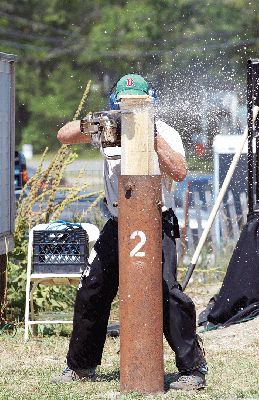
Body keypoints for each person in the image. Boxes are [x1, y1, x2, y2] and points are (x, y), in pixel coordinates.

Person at [52, 74, 208, 390]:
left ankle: (192, 369)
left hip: (156, 220)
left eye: (134, 107)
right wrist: (99, 123)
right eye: (122, 107)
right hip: (118, 222)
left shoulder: (163, 132)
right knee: (92, 288)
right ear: (115, 105)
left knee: (166, 291)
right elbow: (63, 135)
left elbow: (179, 171)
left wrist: (149, 137)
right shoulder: (106, 127)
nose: (128, 113)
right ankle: (81, 367)